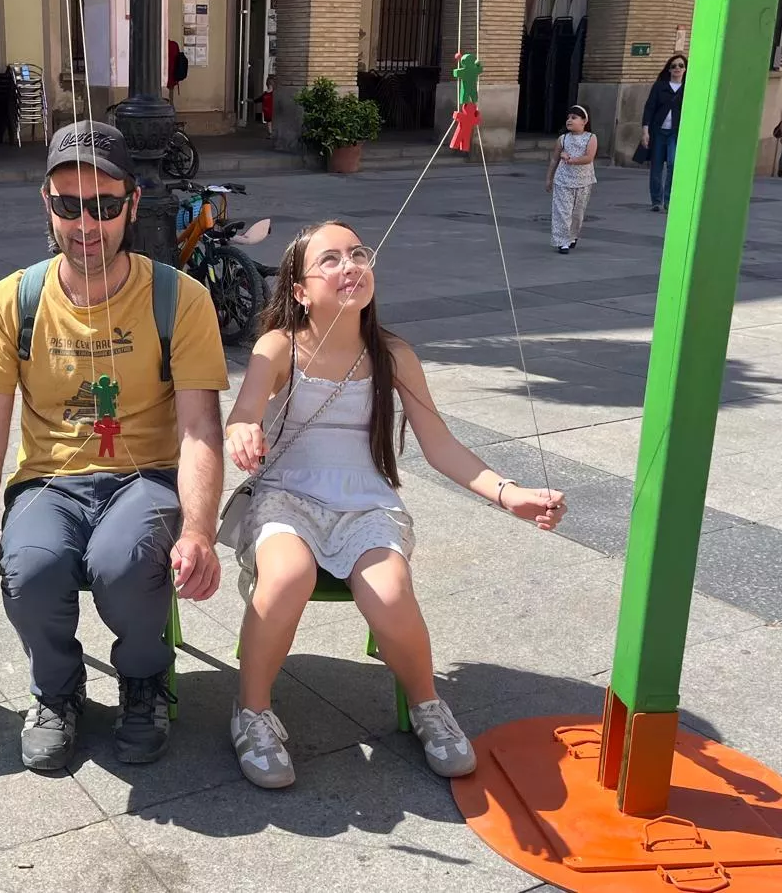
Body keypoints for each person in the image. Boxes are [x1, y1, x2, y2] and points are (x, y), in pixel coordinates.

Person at [222, 220, 567, 789]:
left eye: (358, 254)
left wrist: (510, 494)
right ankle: (252, 711)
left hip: (366, 502)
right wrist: (242, 430)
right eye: (330, 259)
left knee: (389, 590)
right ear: (300, 290)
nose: (350, 265)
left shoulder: (394, 354)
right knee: (286, 576)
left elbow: (440, 445)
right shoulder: (279, 345)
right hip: (286, 496)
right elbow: (244, 410)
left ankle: (427, 703)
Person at [0, 119, 228, 771]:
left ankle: (144, 681)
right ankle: (57, 690)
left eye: (104, 205)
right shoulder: (9, 302)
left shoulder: (179, 300)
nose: (85, 224)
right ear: (46, 203)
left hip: (145, 476)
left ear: (132, 203)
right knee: (30, 567)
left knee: (123, 562)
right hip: (50, 481)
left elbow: (200, 429)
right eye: (68, 205)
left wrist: (200, 532)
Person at [546, 106, 597, 254]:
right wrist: (549, 178)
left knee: (577, 213)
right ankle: (562, 241)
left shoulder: (591, 138)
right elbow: (554, 160)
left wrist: (571, 160)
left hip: (583, 181)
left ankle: (572, 236)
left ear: (584, 121)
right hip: (563, 180)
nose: (569, 120)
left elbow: (589, 157)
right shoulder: (563, 139)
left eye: (574, 118)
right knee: (562, 212)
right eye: (568, 118)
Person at [640, 54, 684, 212]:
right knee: (656, 166)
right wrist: (645, 131)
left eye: (681, 65)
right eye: (673, 66)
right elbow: (649, 108)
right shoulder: (660, 86)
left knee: (673, 164)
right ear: (669, 69)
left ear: (685, 69)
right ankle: (656, 201)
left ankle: (669, 200)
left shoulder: (688, 88)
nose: (677, 68)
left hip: (675, 132)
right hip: (658, 131)